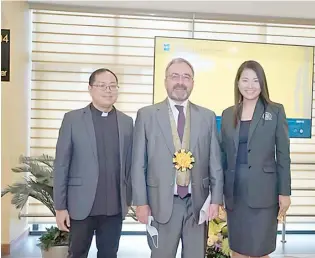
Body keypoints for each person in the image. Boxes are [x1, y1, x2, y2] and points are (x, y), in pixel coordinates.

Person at [131, 57, 224, 258]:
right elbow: (138, 163)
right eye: (175, 76)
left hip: (199, 205)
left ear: (192, 83)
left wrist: (216, 200)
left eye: (186, 77)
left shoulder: (207, 116)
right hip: (161, 204)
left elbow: (215, 162)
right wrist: (140, 203)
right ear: (165, 81)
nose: (180, 82)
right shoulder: (146, 115)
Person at [53, 68, 134, 258]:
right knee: (77, 254)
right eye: (102, 86)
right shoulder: (72, 119)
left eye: (113, 86)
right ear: (90, 89)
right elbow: (61, 165)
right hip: (81, 206)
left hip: (114, 207)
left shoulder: (127, 122)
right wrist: (60, 207)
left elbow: (130, 164)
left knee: (109, 254)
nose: (108, 90)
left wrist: (129, 199)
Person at [220, 60, 291, 258]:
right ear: (237, 83)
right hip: (235, 194)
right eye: (245, 80)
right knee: (238, 249)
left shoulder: (275, 111)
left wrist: (285, 192)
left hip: (264, 193)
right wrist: (217, 193)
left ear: (262, 83)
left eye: (255, 80)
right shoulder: (227, 114)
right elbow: (222, 156)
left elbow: (283, 155)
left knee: (260, 250)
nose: (250, 85)